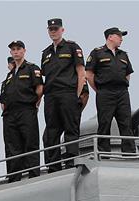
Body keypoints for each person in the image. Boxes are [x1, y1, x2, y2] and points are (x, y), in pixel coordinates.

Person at [41, 18, 86, 172]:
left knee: (70, 128)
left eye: (56, 29)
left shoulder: (72, 47)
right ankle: (53, 165)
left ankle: (71, 161)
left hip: (68, 93)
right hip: (51, 95)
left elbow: (81, 73)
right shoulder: (46, 53)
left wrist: (77, 95)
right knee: (52, 130)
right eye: (51, 29)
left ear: (62, 30)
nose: (53, 32)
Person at [86, 27, 135, 155]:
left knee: (126, 123)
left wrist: (123, 85)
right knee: (104, 123)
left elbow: (127, 74)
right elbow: (89, 74)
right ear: (110, 37)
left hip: (122, 92)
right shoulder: (97, 53)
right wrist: (98, 89)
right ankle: (104, 153)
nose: (121, 39)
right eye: (119, 36)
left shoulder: (123, 54)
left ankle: (129, 153)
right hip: (105, 92)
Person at [1, 40, 44, 182]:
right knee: (12, 147)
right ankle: (14, 178)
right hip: (10, 114)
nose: (16, 52)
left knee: (30, 143)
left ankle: (33, 176)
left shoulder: (31, 68)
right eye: (13, 49)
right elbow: (3, 100)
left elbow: (39, 89)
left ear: (24, 51)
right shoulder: (9, 76)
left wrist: (34, 104)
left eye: (18, 49)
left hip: (26, 110)